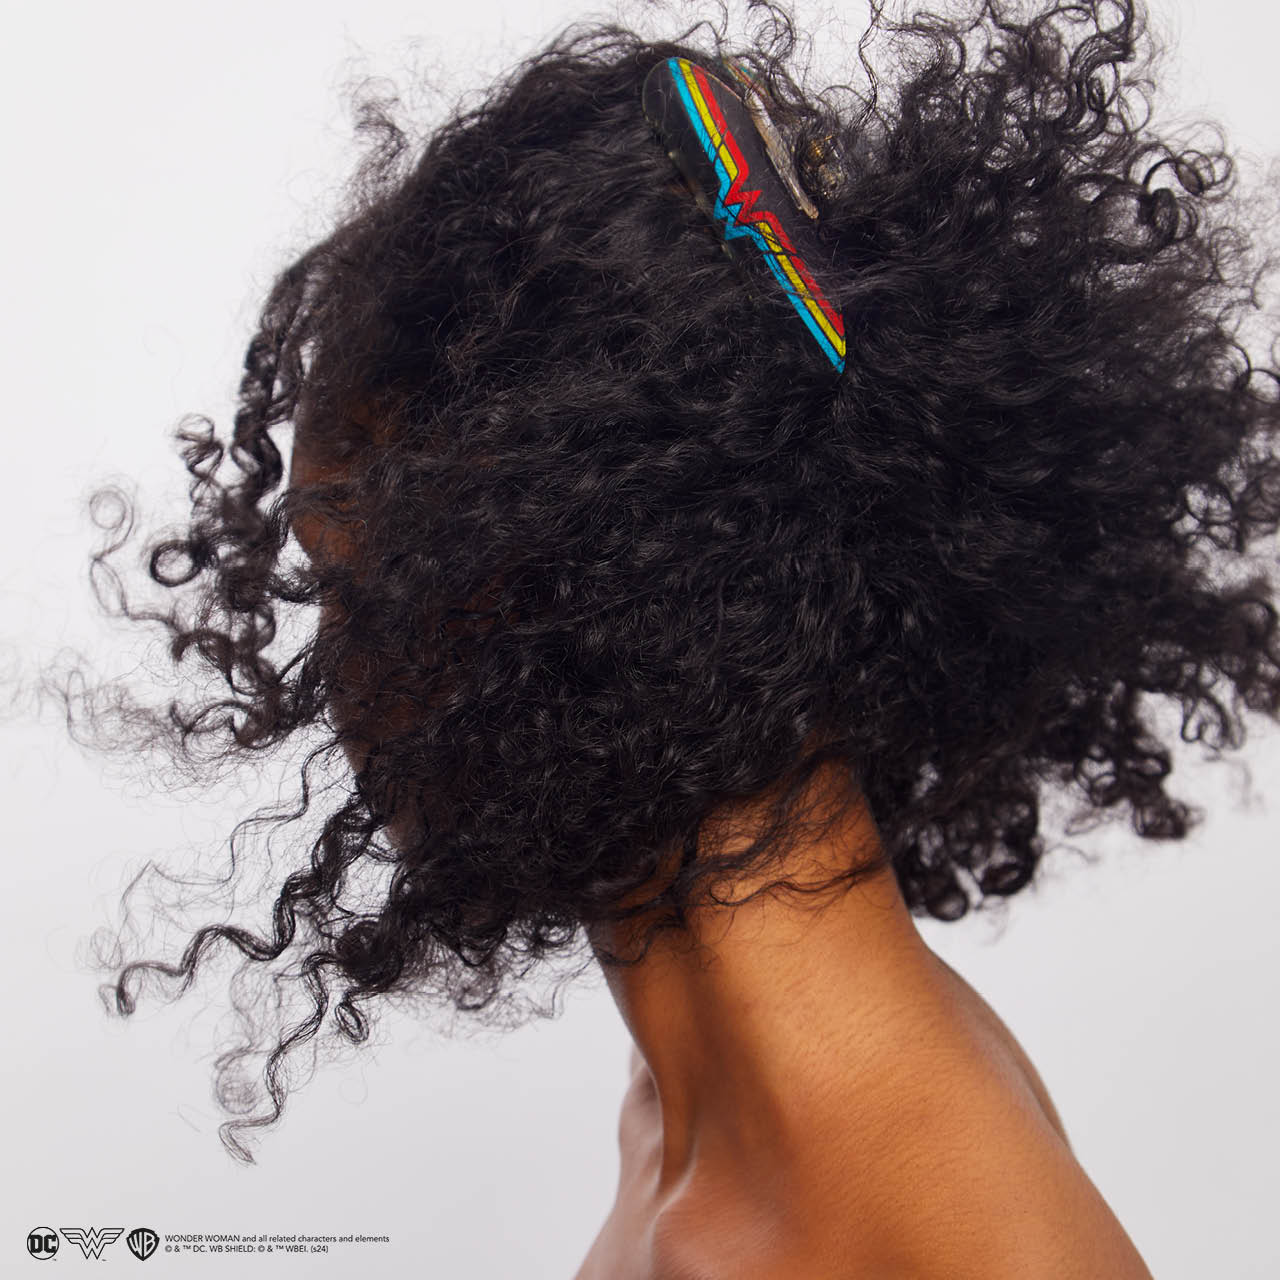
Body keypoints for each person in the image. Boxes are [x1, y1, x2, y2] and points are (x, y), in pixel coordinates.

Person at [61, 0, 1280, 1274]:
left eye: (349, 579)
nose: (332, 675)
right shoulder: (686, 1126)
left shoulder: (948, 1236)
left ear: (534, 580)